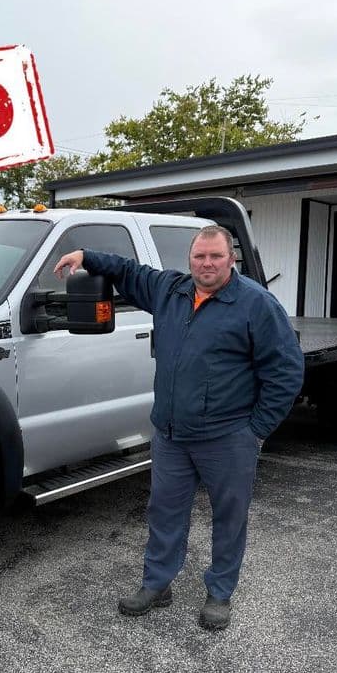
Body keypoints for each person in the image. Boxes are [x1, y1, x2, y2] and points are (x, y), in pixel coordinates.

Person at [52, 225, 304, 630]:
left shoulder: (256, 304)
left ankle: (220, 593)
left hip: (228, 436)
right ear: (189, 260)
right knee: (164, 511)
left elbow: (287, 372)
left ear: (231, 259)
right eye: (199, 256)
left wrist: (256, 430)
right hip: (170, 435)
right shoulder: (170, 291)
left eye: (215, 257)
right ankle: (158, 583)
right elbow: (128, 270)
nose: (207, 264)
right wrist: (86, 255)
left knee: (229, 516)